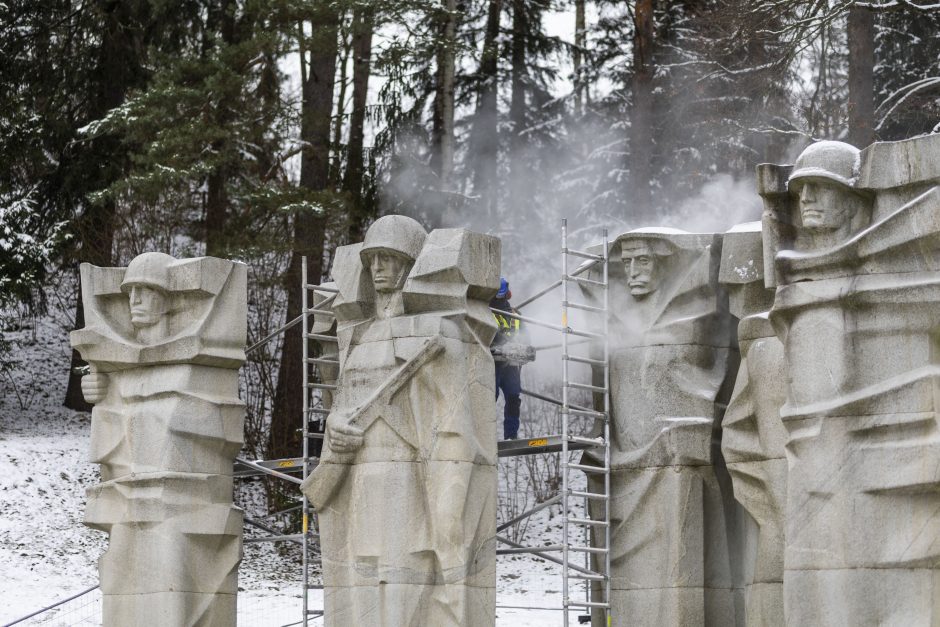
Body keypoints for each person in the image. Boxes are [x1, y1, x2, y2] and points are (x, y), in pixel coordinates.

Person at [491, 277, 526, 440]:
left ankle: (511, 435)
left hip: (511, 364)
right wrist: (504, 342)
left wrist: (525, 349)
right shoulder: (485, 313)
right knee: (491, 396)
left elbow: (526, 337)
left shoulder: (515, 315)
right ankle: (486, 433)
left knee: (513, 397)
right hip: (493, 363)